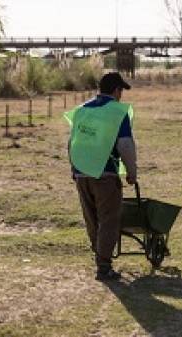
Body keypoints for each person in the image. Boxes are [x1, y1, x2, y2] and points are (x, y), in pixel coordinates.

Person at [64, 72, 138, 281]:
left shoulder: (81, 111)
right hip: (104, 174)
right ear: (116, 90)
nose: (121, 95)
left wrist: (74, 169)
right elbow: (125, 145)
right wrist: (132, 172)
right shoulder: (117, 111)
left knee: (92, 219)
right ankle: (103, 267)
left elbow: (72, 143)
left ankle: (99, 258)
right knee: (108, 220)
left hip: (81, 173)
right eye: (121, 90)